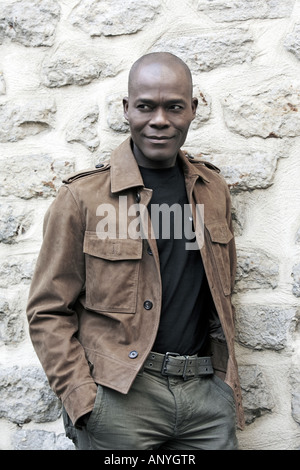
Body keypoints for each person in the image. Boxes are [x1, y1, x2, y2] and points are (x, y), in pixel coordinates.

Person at [26, 52, 244, 450]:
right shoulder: (82, 198)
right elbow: (47, 310)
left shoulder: (213, 191)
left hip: (206, 402)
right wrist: (83, 400)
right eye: (146, 106)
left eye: (174, 107)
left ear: (193, 110)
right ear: (127, 110)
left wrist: (224, 388)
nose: (159, 119)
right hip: (120, 400)